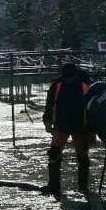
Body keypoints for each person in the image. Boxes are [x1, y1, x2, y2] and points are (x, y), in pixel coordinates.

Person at [41, 63, 91, 200]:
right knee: (57, 154)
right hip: (70, 124)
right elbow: (50, 103)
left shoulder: (63, 84)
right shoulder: (82, 83)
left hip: (73, 124)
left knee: (78, 155)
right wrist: (47, 120)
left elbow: (50, 103)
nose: (69, 80)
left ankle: (65, 187)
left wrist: (47, 120)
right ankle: (61, 186)